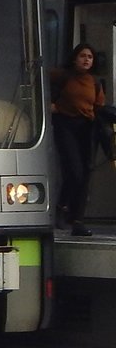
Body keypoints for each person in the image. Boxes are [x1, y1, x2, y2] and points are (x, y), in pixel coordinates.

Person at [51, 42, 105, 237]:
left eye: (90, 57)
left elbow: (99, 105)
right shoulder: (62, 76)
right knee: (74, 171)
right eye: (83, 56)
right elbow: (42, 87)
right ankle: (61, 208)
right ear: (75, 58)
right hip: (65, 125)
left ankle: (78, 221)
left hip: (86, 127)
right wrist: (50, 105)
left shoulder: (95, 82)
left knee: (85, 173)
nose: (86, 60)